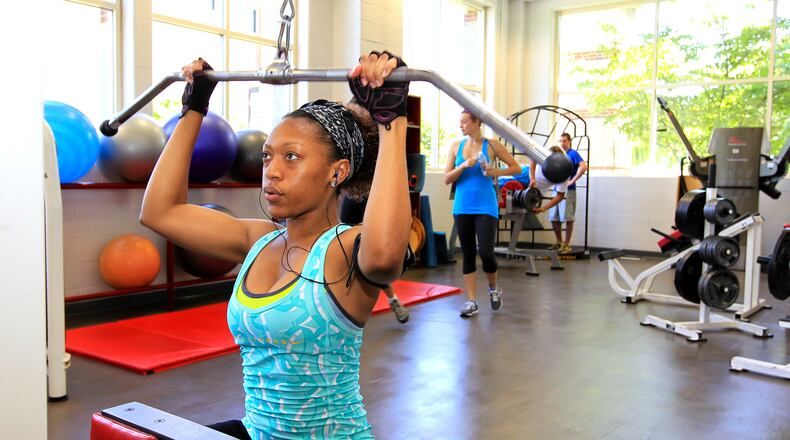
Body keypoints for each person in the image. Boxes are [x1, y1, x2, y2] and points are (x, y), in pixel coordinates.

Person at [139, 52, 411, 439]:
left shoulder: (344, 249)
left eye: (292, 157)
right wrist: (194, 107)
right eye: (268, 156)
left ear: (338, 171)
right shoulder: (258, 240)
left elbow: (385, 255)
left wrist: (391, 123)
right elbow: (160, 212)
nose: (273, 170)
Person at [444, 110, 521, 318]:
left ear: (477, 122)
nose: (461, 125)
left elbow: (516, 168)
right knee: (468, 254)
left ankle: (493, 288)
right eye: (460, 122)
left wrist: (494, 172)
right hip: (462, 207)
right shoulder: (456, 147)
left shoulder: (492, 145)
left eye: (465, 122)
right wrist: (462, 165)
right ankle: (471, 301)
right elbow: (447, 178)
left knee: (486, 253)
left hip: (486, 206)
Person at [339, 194, 410, 323]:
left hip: (368, 206)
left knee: (375, 266)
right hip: (350, 213)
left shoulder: (374, 194)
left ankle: (393, 300)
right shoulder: (349, 196)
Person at [548, 133, 587, 254]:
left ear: (569, 141)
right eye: (560, 141)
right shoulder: (557, 155)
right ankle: (559, 242)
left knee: (568, 218)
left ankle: (566, 244)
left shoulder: (573, 154)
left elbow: (583, 166)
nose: (562, 143)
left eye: (564, 141)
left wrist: (572, 180)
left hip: (569, 191)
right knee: (554, 217)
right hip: (556, 190)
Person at [528, 145, 569, 231]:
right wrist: (532, 178)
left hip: (536, 192)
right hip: (526, 176)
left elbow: (560, 195)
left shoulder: (563, 172)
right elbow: (532, 158)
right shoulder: (543, 156)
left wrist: (543, 208)